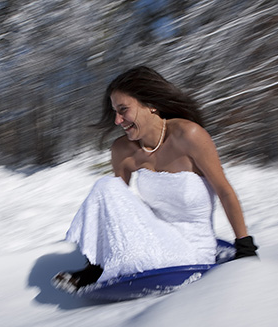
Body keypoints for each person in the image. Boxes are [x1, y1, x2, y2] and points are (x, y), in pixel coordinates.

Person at [53, 66, 258, 292]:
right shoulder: (123, 150)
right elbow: (112, 211)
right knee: (106, 187)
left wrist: (245, 247)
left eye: (123, 110)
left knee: (107, 188)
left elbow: (224, 191)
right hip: (152, 240)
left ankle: (115, 268)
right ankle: (97, 268)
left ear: (151, 105)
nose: (117, 120)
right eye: (115, 112)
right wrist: (97, 262)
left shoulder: (189, 135)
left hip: (191, 252)